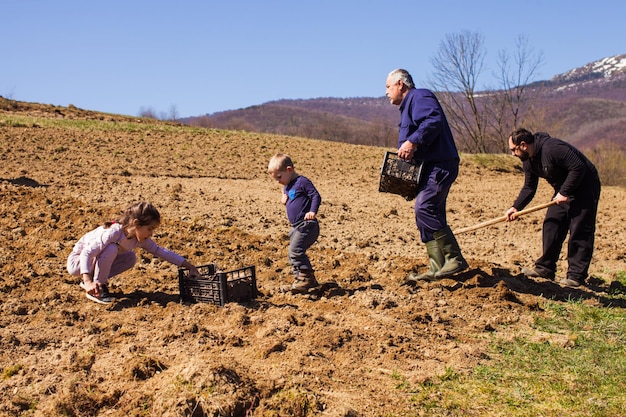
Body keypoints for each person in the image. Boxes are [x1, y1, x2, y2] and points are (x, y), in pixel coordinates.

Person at [385, 68, 468, 283]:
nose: (386, 92)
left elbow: (433, 120)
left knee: (425, 208)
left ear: (400, 84)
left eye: (388, 87)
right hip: (429, 168)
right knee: (426, 214)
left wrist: (412, 141)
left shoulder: (420, 96)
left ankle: (454, 258)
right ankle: (437, 267)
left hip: (440, 164)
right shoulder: (407, 107)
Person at [505, 128, 601, 287]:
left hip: (585, 187)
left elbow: (578, 167)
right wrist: (516, 207)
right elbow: (529, 187)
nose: (513, 154)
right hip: (563, 190)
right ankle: (545, 268)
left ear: (523, 145)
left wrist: (564, 192)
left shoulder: (553, 148)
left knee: (579, 229)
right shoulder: (529, 160)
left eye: (513, 150)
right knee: (552, 223)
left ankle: (576, 276)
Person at [67, 202, 200, 304]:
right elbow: (86, 253)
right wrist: (88, 280)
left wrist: (189, 266)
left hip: (91, 264)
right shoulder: (114, 232)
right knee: (112, 248)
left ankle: (95, 282)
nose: (151, 234)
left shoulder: (139, 239)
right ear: (136, 224)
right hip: (77, 262)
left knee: (130, 257)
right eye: (149, 229)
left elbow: (161, 252)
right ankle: (98, 288)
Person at [268, 153, 321, 293]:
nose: (278, 181)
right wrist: (283, 198)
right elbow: (286, 192)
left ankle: (306, 279)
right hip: (295, 226)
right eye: (275, 179)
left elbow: (315, 195)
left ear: (289, 170)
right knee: (292, 253)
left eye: (279, 177)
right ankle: (301, 281)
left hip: (307, 224)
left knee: (295, 251)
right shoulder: (287, 185)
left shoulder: (302, 182)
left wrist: (312, 211)